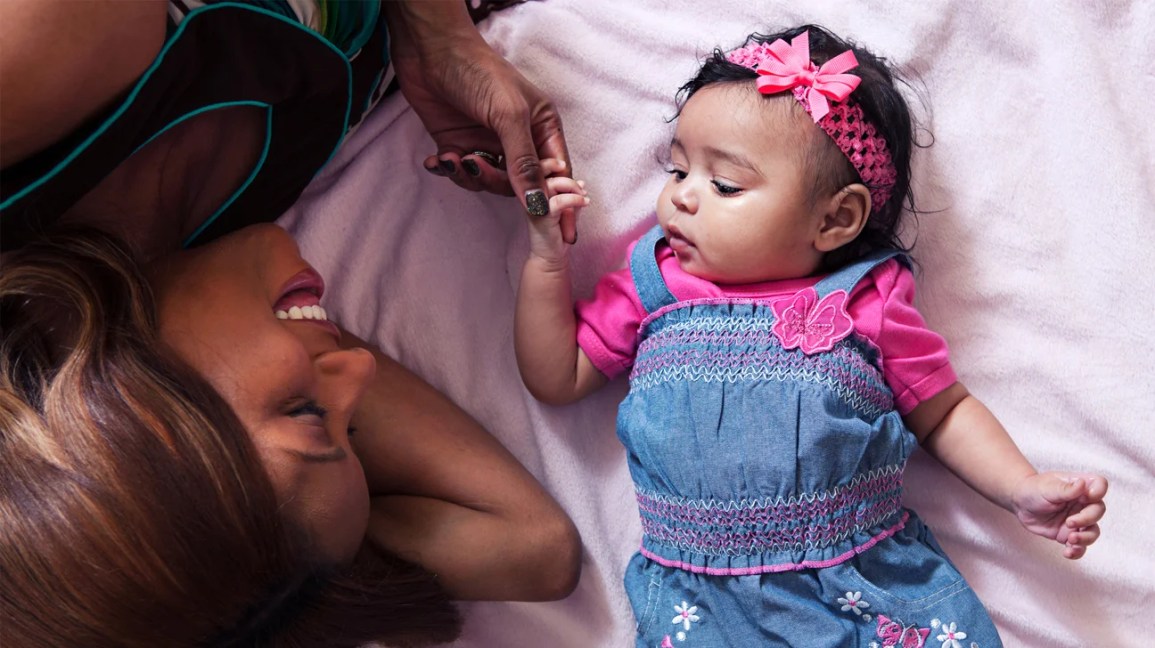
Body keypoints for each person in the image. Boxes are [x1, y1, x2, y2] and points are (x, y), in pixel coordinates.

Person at [1, 1, 580, 646]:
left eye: (306, 410)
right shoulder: (198, 266)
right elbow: (533, 545)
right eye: (353, 431)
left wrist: (430, 24)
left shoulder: (26, 76)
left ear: (126, 420)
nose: (358, 367)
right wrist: (249, 572)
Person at [514, 25, 1108, 647]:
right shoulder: (653, 285)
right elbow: (556, 377)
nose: (681, 198)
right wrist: (547, 262)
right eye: (679, 168)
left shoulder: (865, 301)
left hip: (865, 587)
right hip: (700, 606)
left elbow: (944, 412)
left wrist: (1020, 486)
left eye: (725, 185)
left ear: (836, 220)